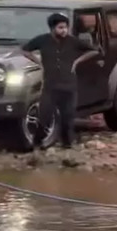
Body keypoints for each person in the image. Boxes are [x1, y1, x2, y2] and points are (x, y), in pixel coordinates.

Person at [20, 13, 99, 149]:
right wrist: (39, 62)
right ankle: (36, 144)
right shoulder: (42, 40)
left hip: (69, 86)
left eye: (66, 27)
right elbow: (24, 50)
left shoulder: (72, 41)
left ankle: (67, 146)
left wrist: (77, 62)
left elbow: (93, 51)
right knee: (44, 117)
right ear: (52, 28)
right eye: (61, 27)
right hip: (50, 86)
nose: (64, 30)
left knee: (68, 118)